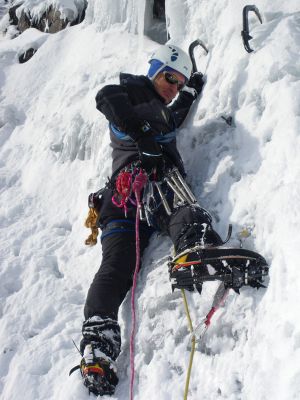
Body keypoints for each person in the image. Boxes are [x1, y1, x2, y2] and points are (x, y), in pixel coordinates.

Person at [76, 44, 233, 396]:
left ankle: (193, 249)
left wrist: (190, 90)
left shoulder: (163, 111)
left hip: (152, 195)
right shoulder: (131, 92)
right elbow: (106, 98)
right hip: (128, 193)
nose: (172, 87)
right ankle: (97, 343)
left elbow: (176, 111)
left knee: (184, 212)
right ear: (155, 71)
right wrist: (143, 137)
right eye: (169, 78)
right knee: (118, 265)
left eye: (177, 83)